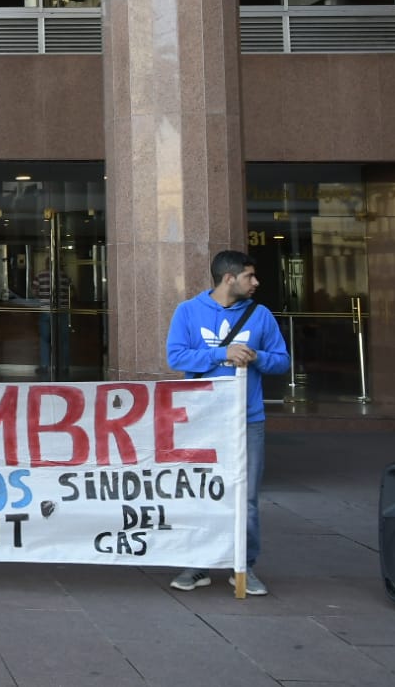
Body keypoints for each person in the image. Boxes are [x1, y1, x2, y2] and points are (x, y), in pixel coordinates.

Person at [166, 249, 290, 598]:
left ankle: (243, 565)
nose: (257, 282)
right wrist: (222, 353)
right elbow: (175, 356)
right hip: (202, 417)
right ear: (229, 278)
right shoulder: (188, 311)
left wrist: (256, 356)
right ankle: (199, 563)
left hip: (247, 420)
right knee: (200, 491)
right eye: (250, 276)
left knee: (247, 498)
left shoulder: (261, 315)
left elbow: (282, 361)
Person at [33, 263, 74, 379]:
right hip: (62, 311)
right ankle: (64, 366)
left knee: (45, 339)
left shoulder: (40, 275)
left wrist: (41, 298)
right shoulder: (65, 276)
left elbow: (34, 291)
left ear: (46, 264)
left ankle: (45, 366)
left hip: (46, 310)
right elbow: (71, 291)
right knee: (63, 340)